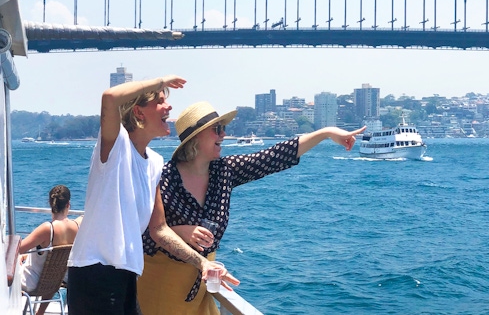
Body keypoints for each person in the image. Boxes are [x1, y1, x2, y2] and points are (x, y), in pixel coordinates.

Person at [137, 101, 365, 315]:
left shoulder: (223, 172)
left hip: (201, 285)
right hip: (161, 284)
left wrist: (325, 133)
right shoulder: (162, 178)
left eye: (223, 128)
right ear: (196, 138)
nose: (224, 135)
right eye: (217, 129)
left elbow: (274, 157)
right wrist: (181, 231)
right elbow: (141, 234)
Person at [66, 76, 238, 315]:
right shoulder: (116, 146)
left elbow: (159, 229)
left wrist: (202, 263)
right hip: (95, 272)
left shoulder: (155, 163)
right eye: (159, 101)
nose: (168, 107)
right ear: (139, 112)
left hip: (128, 273)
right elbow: (109, 98)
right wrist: (160, 81)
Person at [19, 184, 80, 293]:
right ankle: (40, 311)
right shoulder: (76, 228)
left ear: (50, 204)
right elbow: (53, 258)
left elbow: (17, 250)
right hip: (57, 282)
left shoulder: (47, 228)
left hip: (32, 282)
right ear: (68, 204)